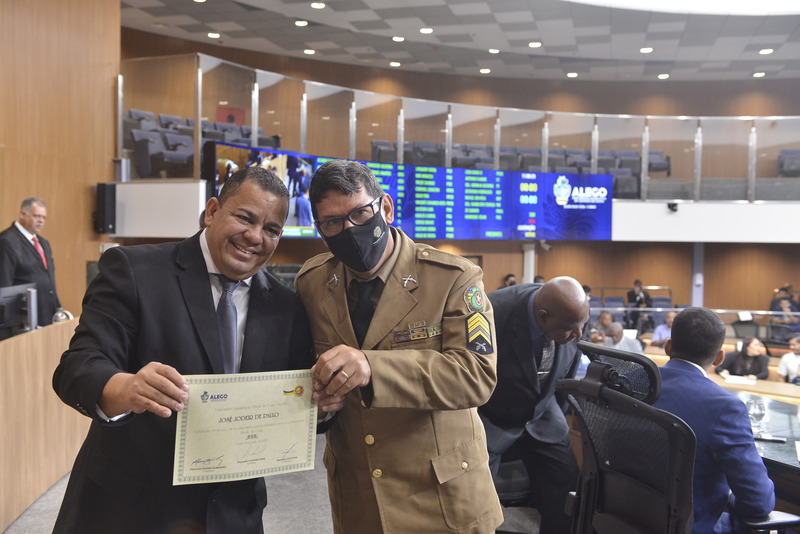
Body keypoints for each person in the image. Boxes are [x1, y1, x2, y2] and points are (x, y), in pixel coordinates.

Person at [51, 167, 313, 534]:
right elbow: (78, 367)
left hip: (232, 515)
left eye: (271, 229)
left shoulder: (285, 306)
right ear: (212, 211)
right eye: (245, 218)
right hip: (130, 511)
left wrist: (325, 401)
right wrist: (126, 388)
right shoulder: (135, 269)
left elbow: (300, 397)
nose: (255, 236)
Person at [294, 160, 502, 534]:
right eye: (333, 223)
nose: (349, 230)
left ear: (385, 208)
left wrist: (372, 367)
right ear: (321, 231)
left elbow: (476, 377)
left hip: (442, 497)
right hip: (359, 497)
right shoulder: (311, 283)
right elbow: (304, 374)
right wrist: (317, 404)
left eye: (360, 213)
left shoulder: (453, 278)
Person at [479, 277, 589, 534]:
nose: (579, 334)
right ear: (543, 316)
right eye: (571, 328)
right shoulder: (491, 314)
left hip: (542, 412)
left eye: (582, 324)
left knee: (566, 487)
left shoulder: (575, 315)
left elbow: (566, 373)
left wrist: (557, 411)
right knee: (475, 499)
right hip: (491, 417)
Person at [653, 307, 775, 534]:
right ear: (719, 358)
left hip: (626, 517)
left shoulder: (634, 381)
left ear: (668, 347)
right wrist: (729, 498)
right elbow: (758, 503)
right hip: (693, 525)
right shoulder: (725, 407)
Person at [0, 197, 61, 331]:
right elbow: (4, 285)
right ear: (22, 214)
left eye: (44, 217)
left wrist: (58, 309)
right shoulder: (7, 242)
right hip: (23, 323)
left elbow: (49, 279)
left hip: (48, 317)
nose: (41, 221)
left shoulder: (43, 243)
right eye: (36, 216)